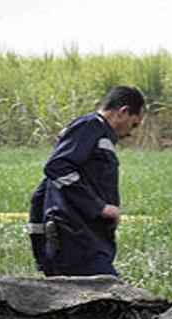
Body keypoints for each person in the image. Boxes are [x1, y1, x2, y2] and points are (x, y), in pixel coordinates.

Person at [28, 86, 146, 277]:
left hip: (88, 239)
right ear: (123, 112)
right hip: (75, 240)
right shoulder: (90, 127)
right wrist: (99, 207)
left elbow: (43, 191)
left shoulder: (100, 134)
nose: (131, 133)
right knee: (107, 296)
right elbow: (57, 167)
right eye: (133, 124)